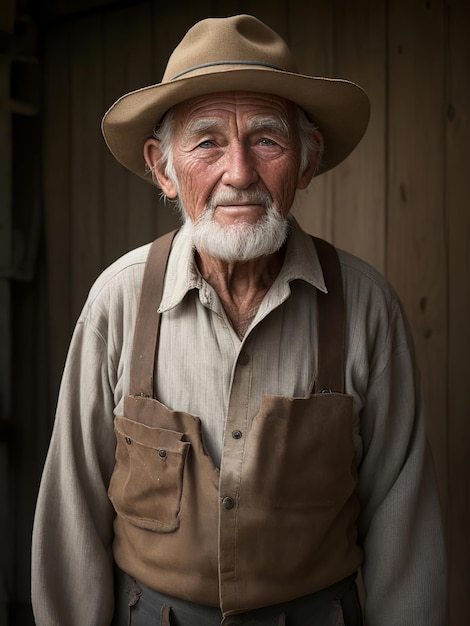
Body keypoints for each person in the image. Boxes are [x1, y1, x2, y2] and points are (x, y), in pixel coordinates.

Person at [31, 13, 447, 626]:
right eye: (206, 142)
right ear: (163, 168)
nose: (240, 173)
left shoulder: (365, 307)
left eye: (267, 140)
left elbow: (404, 534)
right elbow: (71, 521)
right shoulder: (116, 304)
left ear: (306, 162)